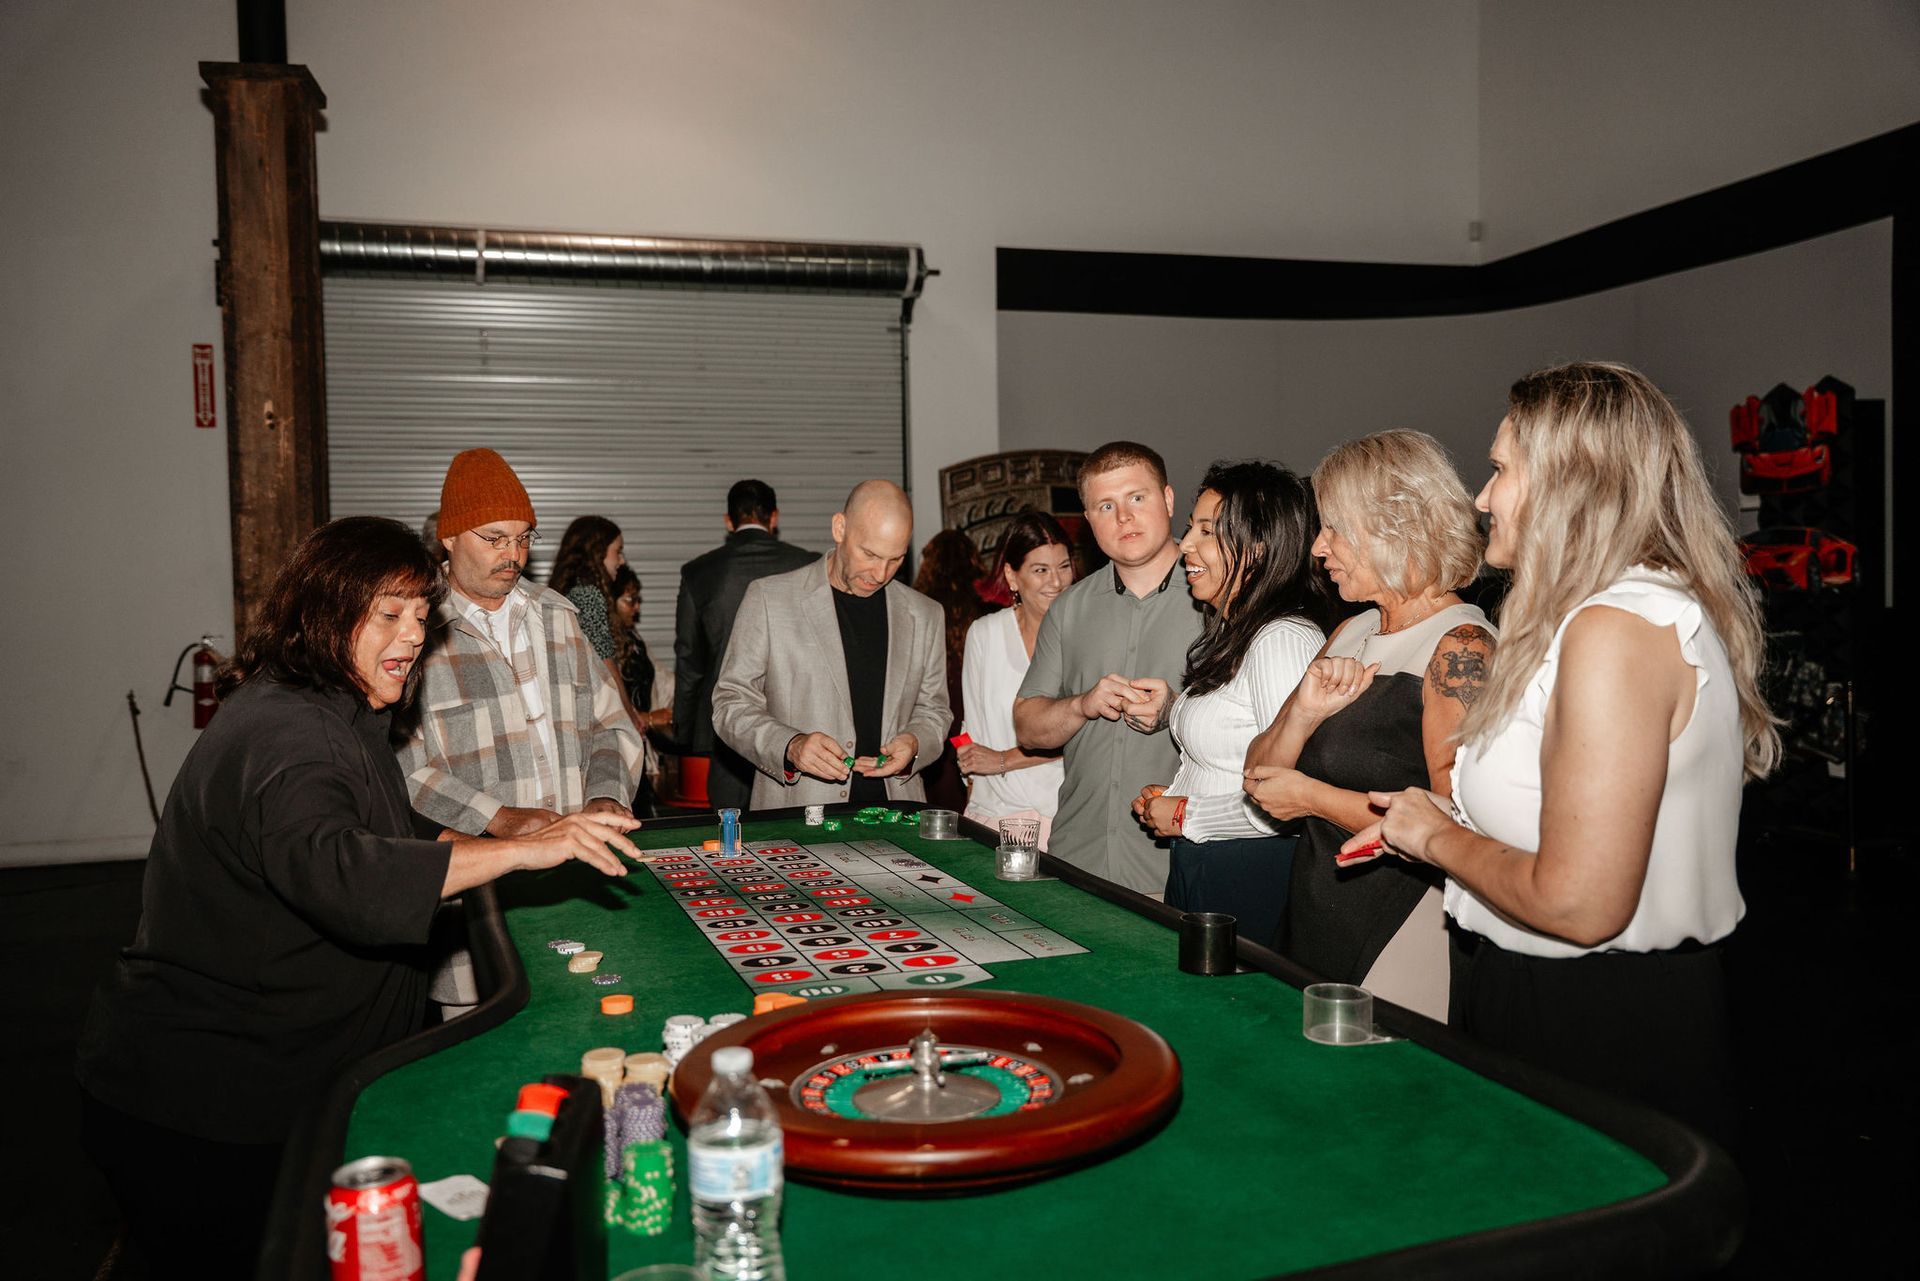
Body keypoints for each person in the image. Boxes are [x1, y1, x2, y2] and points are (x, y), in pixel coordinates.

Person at [74, 517, 639, 1280]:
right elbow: (353, 877)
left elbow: (402, 834)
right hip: (205, 1108)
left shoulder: (343, 708)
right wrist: (527, 846)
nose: (412, 636)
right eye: (387, 614)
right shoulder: (286, 733)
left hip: (269, 1088)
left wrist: (532, 838)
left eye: (419, 615)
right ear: (324, 610)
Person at [1346, 363, 1776, 1149]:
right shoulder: (1587, 618)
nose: (1482, 497)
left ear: (1572, 483)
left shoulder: (1618, 628)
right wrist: (1444, 814)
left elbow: (1582, 904)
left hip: (1597, 1018)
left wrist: (1433, 836)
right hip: (1537, 991)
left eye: (1502, 469)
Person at [1241, 431, 1492, 1019]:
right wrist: (1303, 712)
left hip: (1400, 923)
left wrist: (1311, 797)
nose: (1319, 548)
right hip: (1315, 906)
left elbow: (1459, 823)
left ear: (1394, 523)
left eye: (1334, 528)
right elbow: (1259, 771)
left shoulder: (1462, 646)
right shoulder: (1351, 630)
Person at [397, 449, 644, 1007]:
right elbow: (403, 770)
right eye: (493, 538)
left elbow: (611, 723)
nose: (512, 555)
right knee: (483, 1052)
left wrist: (606, 794)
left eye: (523, 537)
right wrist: (502, 821)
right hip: (473, 905)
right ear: (449, 536)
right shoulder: (414, 630)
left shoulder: (557, 615)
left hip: (578, 886)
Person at [1125, 461, 1334, 943]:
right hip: (1206, 860)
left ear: (1257, 548)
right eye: (1189, 529)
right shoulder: (1237, 633)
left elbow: (1290, 796)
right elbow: (1228, 755)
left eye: (1206, 532)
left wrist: (1184, 814)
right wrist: (1177, 794)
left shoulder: (1282, 639)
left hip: (1250, 870)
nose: (1185, 547)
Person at [1013, 442, 1202, 897]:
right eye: (1106, 505)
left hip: (1176, 869)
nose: (1124, 517)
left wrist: (1176, 710)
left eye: (1137, 498)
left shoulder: (1218, 600)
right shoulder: (1069, 609)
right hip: (1075, 863)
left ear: (1169, 500)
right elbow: (1027, 727)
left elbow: (1258, 732)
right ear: (1088, 519)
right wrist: (1082, 705)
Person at [711, 479, 951, 808]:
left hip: (898, 815)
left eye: (895, 560)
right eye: (869, 554)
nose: (880, 573)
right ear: (840, 528)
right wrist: (790, 746)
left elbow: (935, 710)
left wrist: (914, 744)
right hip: (798, 816)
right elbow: (730, 704)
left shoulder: (926, 614)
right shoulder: (770, 600)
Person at [673, 479, 816, 810]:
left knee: (729, 833)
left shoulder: (699, 572)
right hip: (792, 723)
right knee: (793, 828)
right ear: (774, 517)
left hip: (726, 727)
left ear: (728, 521)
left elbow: (689, 658)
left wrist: (684, 731)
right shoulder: (808, 565)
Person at [958, 510, 1074, 843]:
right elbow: (970, 729)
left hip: (1067, 815)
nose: (1056, 581)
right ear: (1012, 576)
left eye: (1064, 566)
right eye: (1040, 570)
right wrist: (967, 762)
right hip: (994, 815)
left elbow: (1089, 733)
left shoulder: (1085, 634)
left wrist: (1002, 760)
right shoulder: (985, 634)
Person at [914, 528, 990, 811]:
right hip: (970, 727)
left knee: (934, 809)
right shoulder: (986, 611)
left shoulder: (918, 610)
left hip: (932, 723)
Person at [611, 563, 670, 813]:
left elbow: (665, 680)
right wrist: (645, 717)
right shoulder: (600, 645)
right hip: (616, 751)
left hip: (640, 745)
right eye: (630, 600)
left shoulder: (633, 639)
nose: (637, 608)